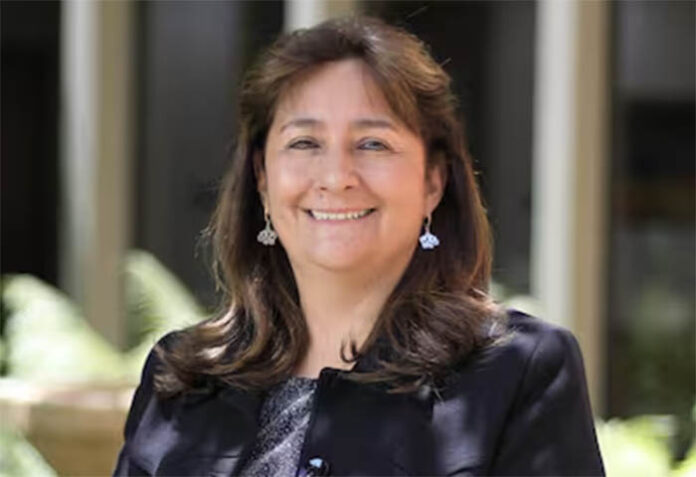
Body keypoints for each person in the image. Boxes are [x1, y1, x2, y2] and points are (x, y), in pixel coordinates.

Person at [113, 16, 604, 477]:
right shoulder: (182, 374)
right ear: (262, 178)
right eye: (305, 143)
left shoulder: (519, 371)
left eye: (373, 144)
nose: (336, 177)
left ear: (433, 181)